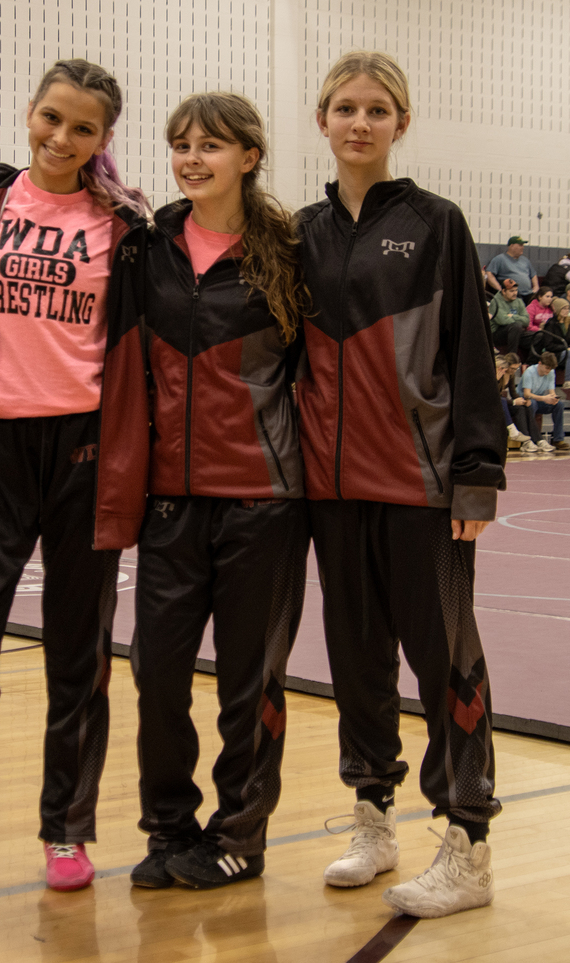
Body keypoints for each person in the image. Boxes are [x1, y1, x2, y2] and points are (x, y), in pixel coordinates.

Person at [294, 51, 506, 919]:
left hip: (421, 487)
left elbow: (468, 351)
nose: (359, 122)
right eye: (344, 107)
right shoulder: (296, 231)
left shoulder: (436, 223)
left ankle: (468, 840)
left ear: (401, 124)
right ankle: (373, 815)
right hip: (329, 490)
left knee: (447, 664)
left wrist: (477, 476)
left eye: (377, 109)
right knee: (355, 661)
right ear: (323, 121)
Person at [0, 58, 150, 899]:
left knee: (78, 651)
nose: (62, 138)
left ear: (104, 139)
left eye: (83, 128)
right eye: (52, 118)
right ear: (30, 112)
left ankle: (68, 827)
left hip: (85, 455)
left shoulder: (124, 227)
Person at [129, 92, 309, 891]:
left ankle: (240, 832)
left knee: (249, 683)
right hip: (169, 500)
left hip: (263, 503)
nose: (192, 157)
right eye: (180, 144)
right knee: (157, 671)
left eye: (210, 145)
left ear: (249, 156)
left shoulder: (290, 253)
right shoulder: (147, 248)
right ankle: (167, 826)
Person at [519, 352, 567, 452]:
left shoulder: (551, 372)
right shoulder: (529, 372)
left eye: (550, 369)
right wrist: (544, 398)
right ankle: (531, 439)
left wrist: (554, 399)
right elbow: (527, 394)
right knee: (533, 403)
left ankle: (558, 439)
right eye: (547, 368)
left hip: (539, 399)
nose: (548, 371)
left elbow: (552, 392)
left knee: (559, 405)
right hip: (524, 401)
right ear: (540, 363)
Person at [495, 355, 532, 449]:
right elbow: (494, 396)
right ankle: (512, 431)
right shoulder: (496, 375)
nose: (514, 371)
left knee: (521, 407)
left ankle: (527, 441)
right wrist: (496, 380)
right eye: (512, 368)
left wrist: (522, 400)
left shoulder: (510, 375)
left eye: (516, 368)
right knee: (503, 400)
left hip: (500, 403)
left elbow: (513, 393)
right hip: (493, 404)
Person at [488, 279, 530, 357]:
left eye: (516, 290)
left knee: (537, 336)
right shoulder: (495, 302)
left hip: (515, 332)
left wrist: (512, 316)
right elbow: (502, 321)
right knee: (516, 326)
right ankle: (511, 356)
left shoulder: (519, 301)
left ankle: (530, 363)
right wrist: (519, 319)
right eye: (511, 291)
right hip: (497, 333)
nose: (515, 293)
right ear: (503, 291)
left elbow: (527, 321)